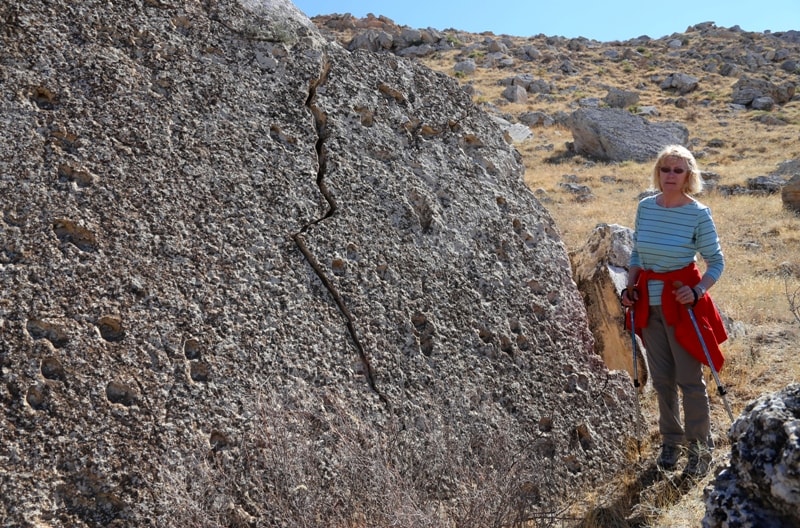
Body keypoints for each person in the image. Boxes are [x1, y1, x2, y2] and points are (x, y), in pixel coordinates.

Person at [620, 144, 728, 477]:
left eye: (677, 170)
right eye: (665, 169)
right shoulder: (645, 207)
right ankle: (671, 442)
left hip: (681, 306)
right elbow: (638, 254)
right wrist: (630, 285)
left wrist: (696, 292)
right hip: (648, 305)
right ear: (658, 171)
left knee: (689, 380)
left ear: (689, 176)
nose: (670, 175)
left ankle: (699, 449)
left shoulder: (698, 213)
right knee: (662, 379)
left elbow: (716, 262)